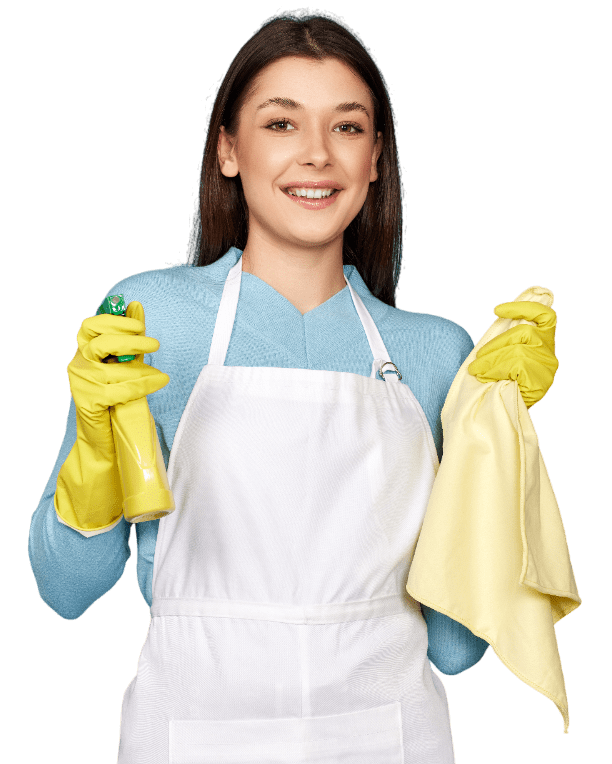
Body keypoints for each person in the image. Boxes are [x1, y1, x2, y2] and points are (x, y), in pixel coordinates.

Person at [28, 9, 558, 763]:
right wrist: (91, 458)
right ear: (228, 149)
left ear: (375, 159)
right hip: (194, 740)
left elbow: (454, 649)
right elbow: (66, 590)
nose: (317, 154)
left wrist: (495, 439)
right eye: (281, 123)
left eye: (347, 127)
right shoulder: (151, 323)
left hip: (388, 740)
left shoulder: (437, 354)